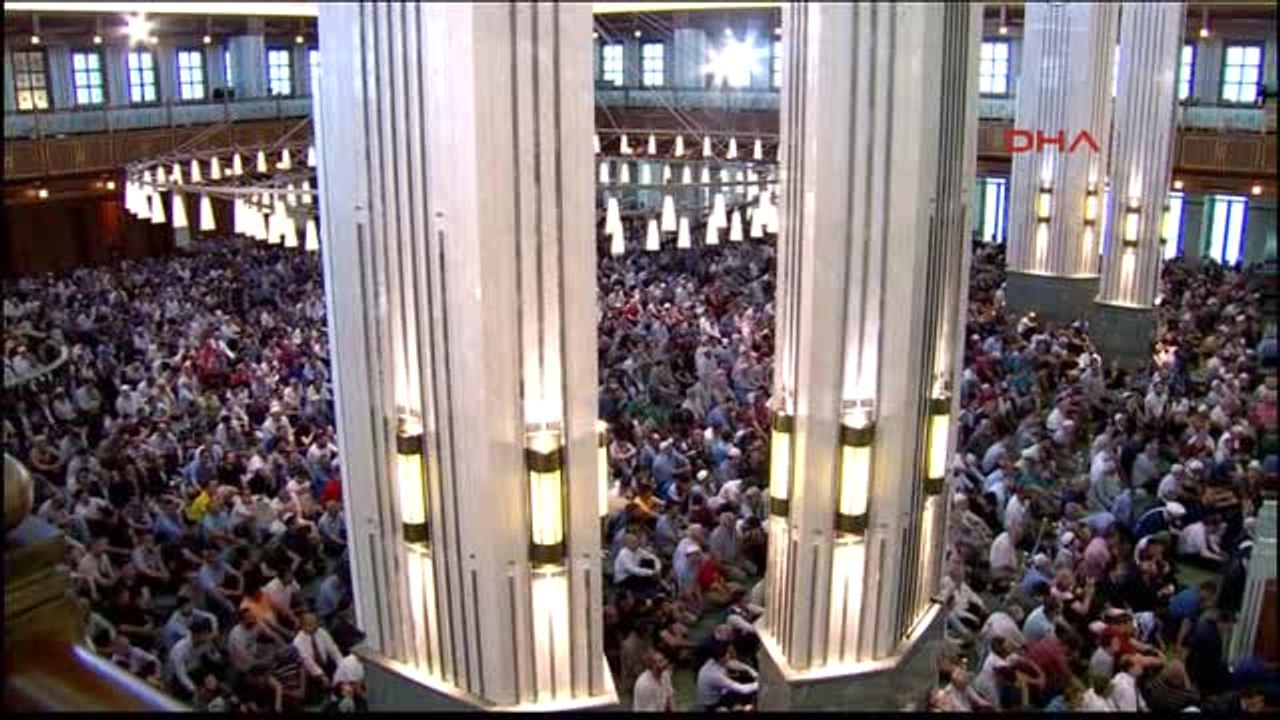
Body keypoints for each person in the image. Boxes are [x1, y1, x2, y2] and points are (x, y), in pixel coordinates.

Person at [694, 641, 757, 711]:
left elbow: (733, 664)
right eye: (727, 654)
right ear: (721, 658)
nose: (730, 655)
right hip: (711, 704)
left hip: (716, 695)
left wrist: (752, 671)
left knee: (742, 682)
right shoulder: (715, 675)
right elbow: (742, 689)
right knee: (743, 695)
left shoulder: (713, 660)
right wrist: (760, 683)